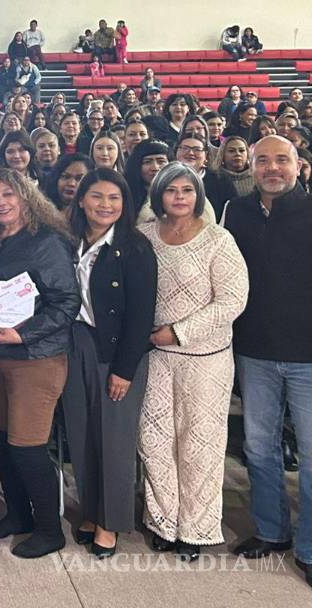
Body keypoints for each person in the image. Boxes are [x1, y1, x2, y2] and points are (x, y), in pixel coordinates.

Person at [137, 162, 248, 560]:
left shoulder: (219, 239)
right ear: (159, 196)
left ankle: (196, 529)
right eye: (171, 190)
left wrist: (179, 331)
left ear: (197, 195)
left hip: (206, 358)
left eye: (187, 190)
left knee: (198, 445)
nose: (179, 197)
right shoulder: (144, 235)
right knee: (154, 441)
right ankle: (163, 521)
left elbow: (233, 300)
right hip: (154, 357)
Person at [0, 168, 80, 558]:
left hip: (35, 359)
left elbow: (67, 303)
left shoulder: (45, 242)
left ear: (25, 197)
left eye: (7, 195)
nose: (0, 203)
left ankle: (50, 530)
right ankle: (18, 514)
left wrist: (24, 333)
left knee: (27, 446)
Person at [223, 136, 312, 583]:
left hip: (307, 357)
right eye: (263, 161)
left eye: (282, 160)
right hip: (254, 352)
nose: (271, 168)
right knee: (259, 448)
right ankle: (273, 531)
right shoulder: (235, 213)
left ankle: (311, 547)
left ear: (300, 166)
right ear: (252, 168)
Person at [61, 169, 157, 559]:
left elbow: (140, 316)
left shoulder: (134, 248)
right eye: (97, 197)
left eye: (114, 198)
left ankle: (110, 522)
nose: (105, 205)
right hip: (74, 344)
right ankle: (91, 510)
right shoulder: (67, 241)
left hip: (116, 352)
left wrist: (124, 369)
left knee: (115, 442)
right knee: (82, 437)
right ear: (81, 200)